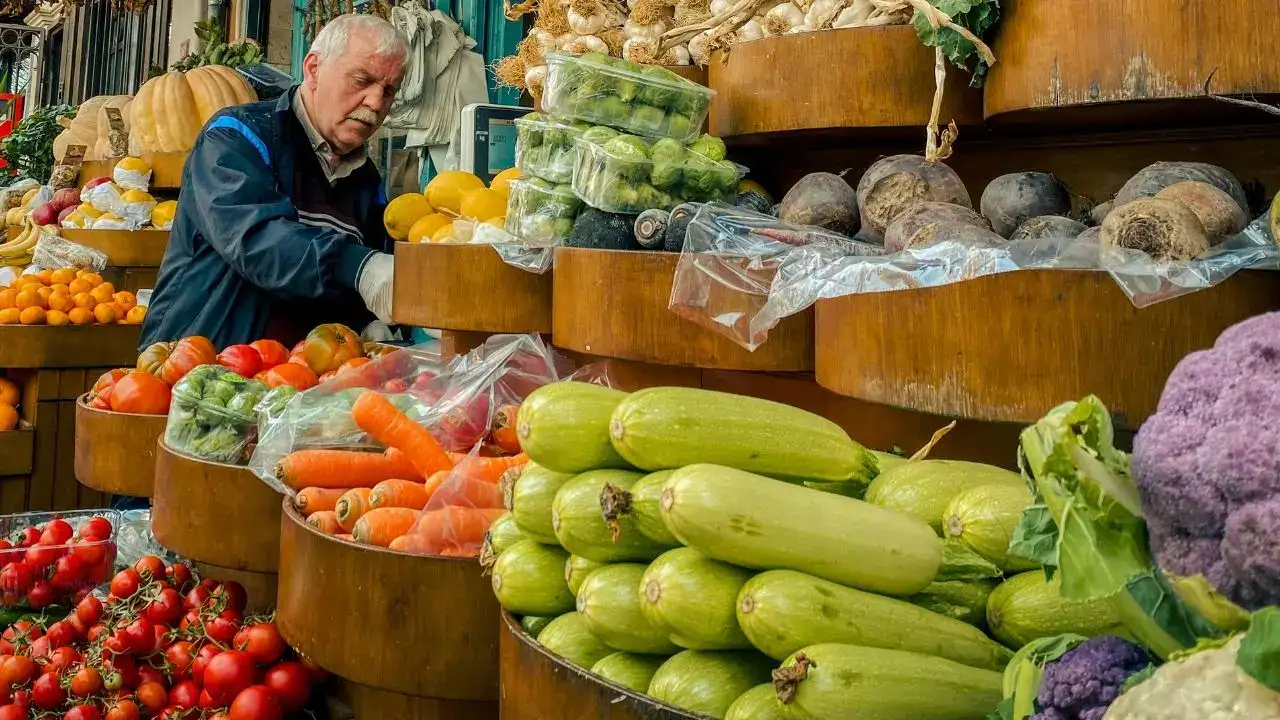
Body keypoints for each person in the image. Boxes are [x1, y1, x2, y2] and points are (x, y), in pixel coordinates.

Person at [140, 14, 408, 350]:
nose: (376, 103)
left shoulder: (366, 180)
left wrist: (370, 319)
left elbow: (372, 274)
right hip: (200, 363)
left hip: (300, 374)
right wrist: (357, 267)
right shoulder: (236, 136)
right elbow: (257, 238)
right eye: (361, 80)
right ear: (313, 69)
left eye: (388, 90)